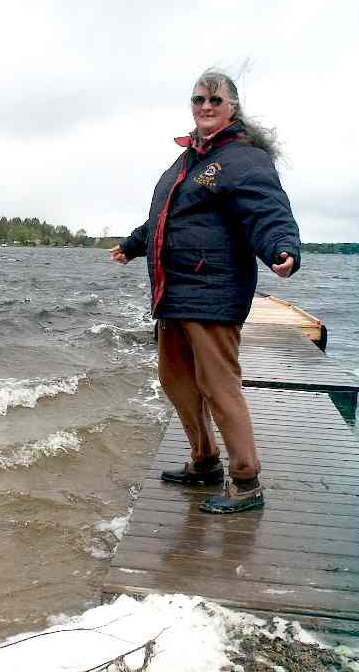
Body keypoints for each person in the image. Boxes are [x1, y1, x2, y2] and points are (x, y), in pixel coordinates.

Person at [111, 68, 301, 514]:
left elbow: (269, 212)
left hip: (214, 293)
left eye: (215, 100)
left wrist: (282, 248)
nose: (206, 107)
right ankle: (204, 463)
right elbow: (165, 218)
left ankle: (246, 480)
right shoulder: (186, 162)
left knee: (219, 387)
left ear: (233, 107)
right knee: (177, 383)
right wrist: (133, 245)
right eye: (199, 100)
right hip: (172, 293)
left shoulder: (244, 159)